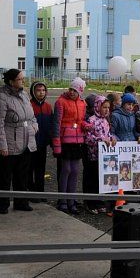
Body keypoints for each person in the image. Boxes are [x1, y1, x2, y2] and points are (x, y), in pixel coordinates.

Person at [0, 69, 38, 214]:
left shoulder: (24, 95)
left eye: (23, 79)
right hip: (9, 143)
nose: (22, 81)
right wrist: (1, 146)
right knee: (5, 176)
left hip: (26, 142)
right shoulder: (1, 98)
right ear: (11, 81)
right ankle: (2, 204)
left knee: (22, 175)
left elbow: (31, 116)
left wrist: (35, 127)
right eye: (20, 79)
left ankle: (21, 202)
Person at [52, 77, 89, 214]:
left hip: (77, 141)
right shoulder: (60, 102)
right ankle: (62, 200)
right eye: (71, 89)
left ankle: (71, 200)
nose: (72, 92)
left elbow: (81, 121)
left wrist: (86, 126)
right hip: (65, 141)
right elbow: (56, 123)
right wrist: (56, 144)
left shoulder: (82, 103)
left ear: (80, 91)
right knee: (66, 169)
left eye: (75, 90)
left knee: (75, 171)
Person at [83, 96, 115, 214]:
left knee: (100, 180)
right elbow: (88, 138)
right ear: (97, 107)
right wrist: (101, 139)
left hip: (104, 157)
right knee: (91, 180)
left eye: (108, 108)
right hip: (93, 156)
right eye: (104, 107)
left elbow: (109, 134)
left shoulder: (106, 121)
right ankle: (90, 203)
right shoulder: (91, 120)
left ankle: (99, 202)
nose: (107, 110)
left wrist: (112, 139)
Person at [28, 81, 52, 201]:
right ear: (33, 92)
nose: (41, 93)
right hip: (31, 143)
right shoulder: (29, 105)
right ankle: (31, 194)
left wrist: (50, 140)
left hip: (43, 143)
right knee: (29, 168)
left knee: (41, 169)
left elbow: (50, 124)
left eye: (43, 90)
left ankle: (40, 193)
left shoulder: (48, 106)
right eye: (38, 90)